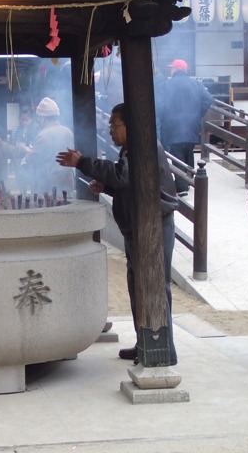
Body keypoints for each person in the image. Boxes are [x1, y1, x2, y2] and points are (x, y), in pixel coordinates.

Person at [56, 103, 179, 365]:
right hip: (138, 226)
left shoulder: (143, 146)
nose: (110, 130)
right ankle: (144, 340)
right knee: (137, 286)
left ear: (129, 125)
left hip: (153, 226)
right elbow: (131, 185)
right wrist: (107, 186)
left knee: (154, 285)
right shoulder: (130, 149)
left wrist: (83, 162)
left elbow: (123, 176)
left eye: (114, 125)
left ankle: (162, 348)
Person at [157, 59, 213, 196]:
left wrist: (164, 117)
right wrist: (198, 113)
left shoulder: (167, 85)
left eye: (172, 68)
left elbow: (161, 105)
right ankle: (189, 180)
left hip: (173, 124)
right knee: (188, 151)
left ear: (175, 70)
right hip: (191, 123)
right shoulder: (196, 84)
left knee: (177, 154)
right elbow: (208, 99)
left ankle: (182, 187)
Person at [20, 97, 74, 195]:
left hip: (48, 186)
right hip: (66, 184)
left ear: (43, 118)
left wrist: (25, 157)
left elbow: (35, 157)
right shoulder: (68, 132)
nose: (39, 121)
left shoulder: (43, 135)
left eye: (40, 118)